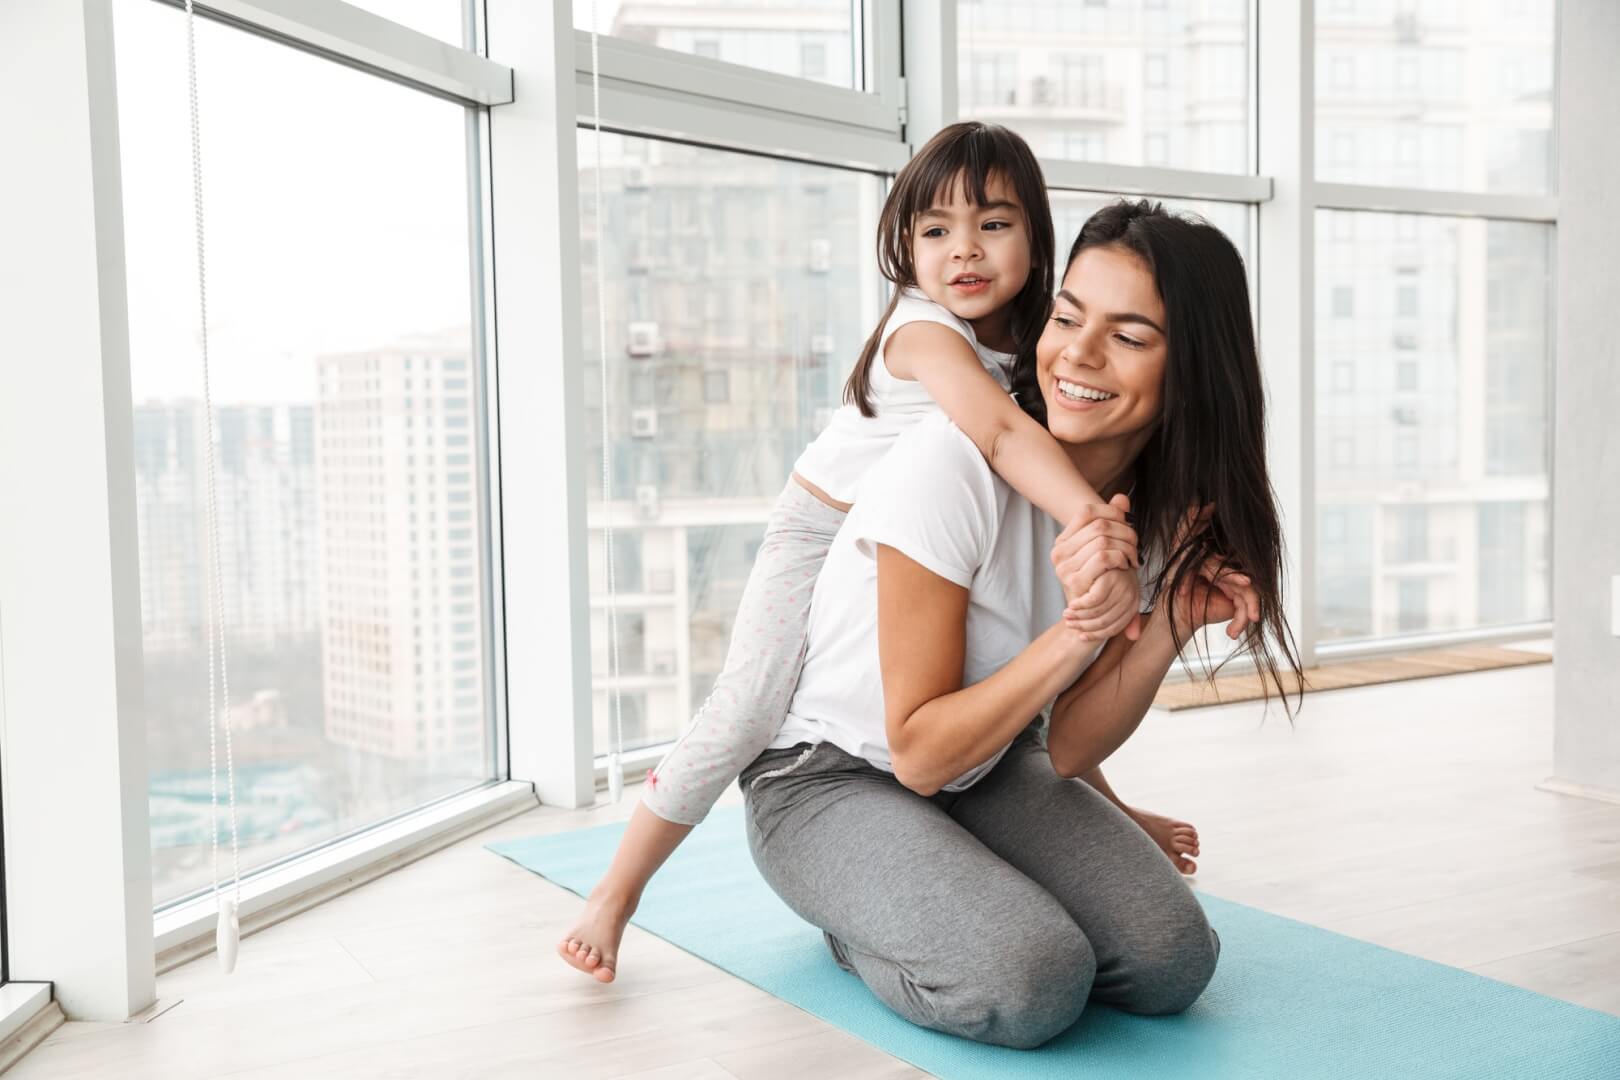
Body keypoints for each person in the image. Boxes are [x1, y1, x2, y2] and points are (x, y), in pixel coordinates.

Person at [559, 125, 1207, 983]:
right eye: (934, 231)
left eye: (994, 227)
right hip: (819, 528)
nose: (963, 252)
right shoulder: (923, 332)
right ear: (902, 245)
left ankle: (1088, 818)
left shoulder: (1039, 342)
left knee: (1026, 685)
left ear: (1037, 238)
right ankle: (617, 892)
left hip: (907, 544)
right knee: (748, 706)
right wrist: (1095, 523)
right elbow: (1004, 434)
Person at [736, 199, 1301, 1048]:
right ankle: (859, 925)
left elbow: (1067, 748)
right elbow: (920, 752)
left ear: (1192, 371)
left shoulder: (1155, 510)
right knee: (1031, 981)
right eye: (1068, 316)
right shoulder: (949, 466)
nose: (1077, 352)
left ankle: (947, 889)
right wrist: (1078, 630)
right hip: (829, 780)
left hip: (989, 766)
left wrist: (1170, 623)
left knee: (1171, 961)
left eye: (1130, 336)